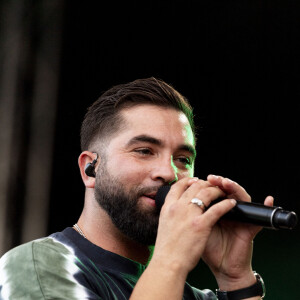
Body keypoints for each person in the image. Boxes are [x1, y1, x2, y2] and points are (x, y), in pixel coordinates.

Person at [0, 77, 272, 299]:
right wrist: (171, 258)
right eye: (144, 151)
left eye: (183, 159)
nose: (169, 172)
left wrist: (236, 278)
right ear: (89, 169)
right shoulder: (38, 266)